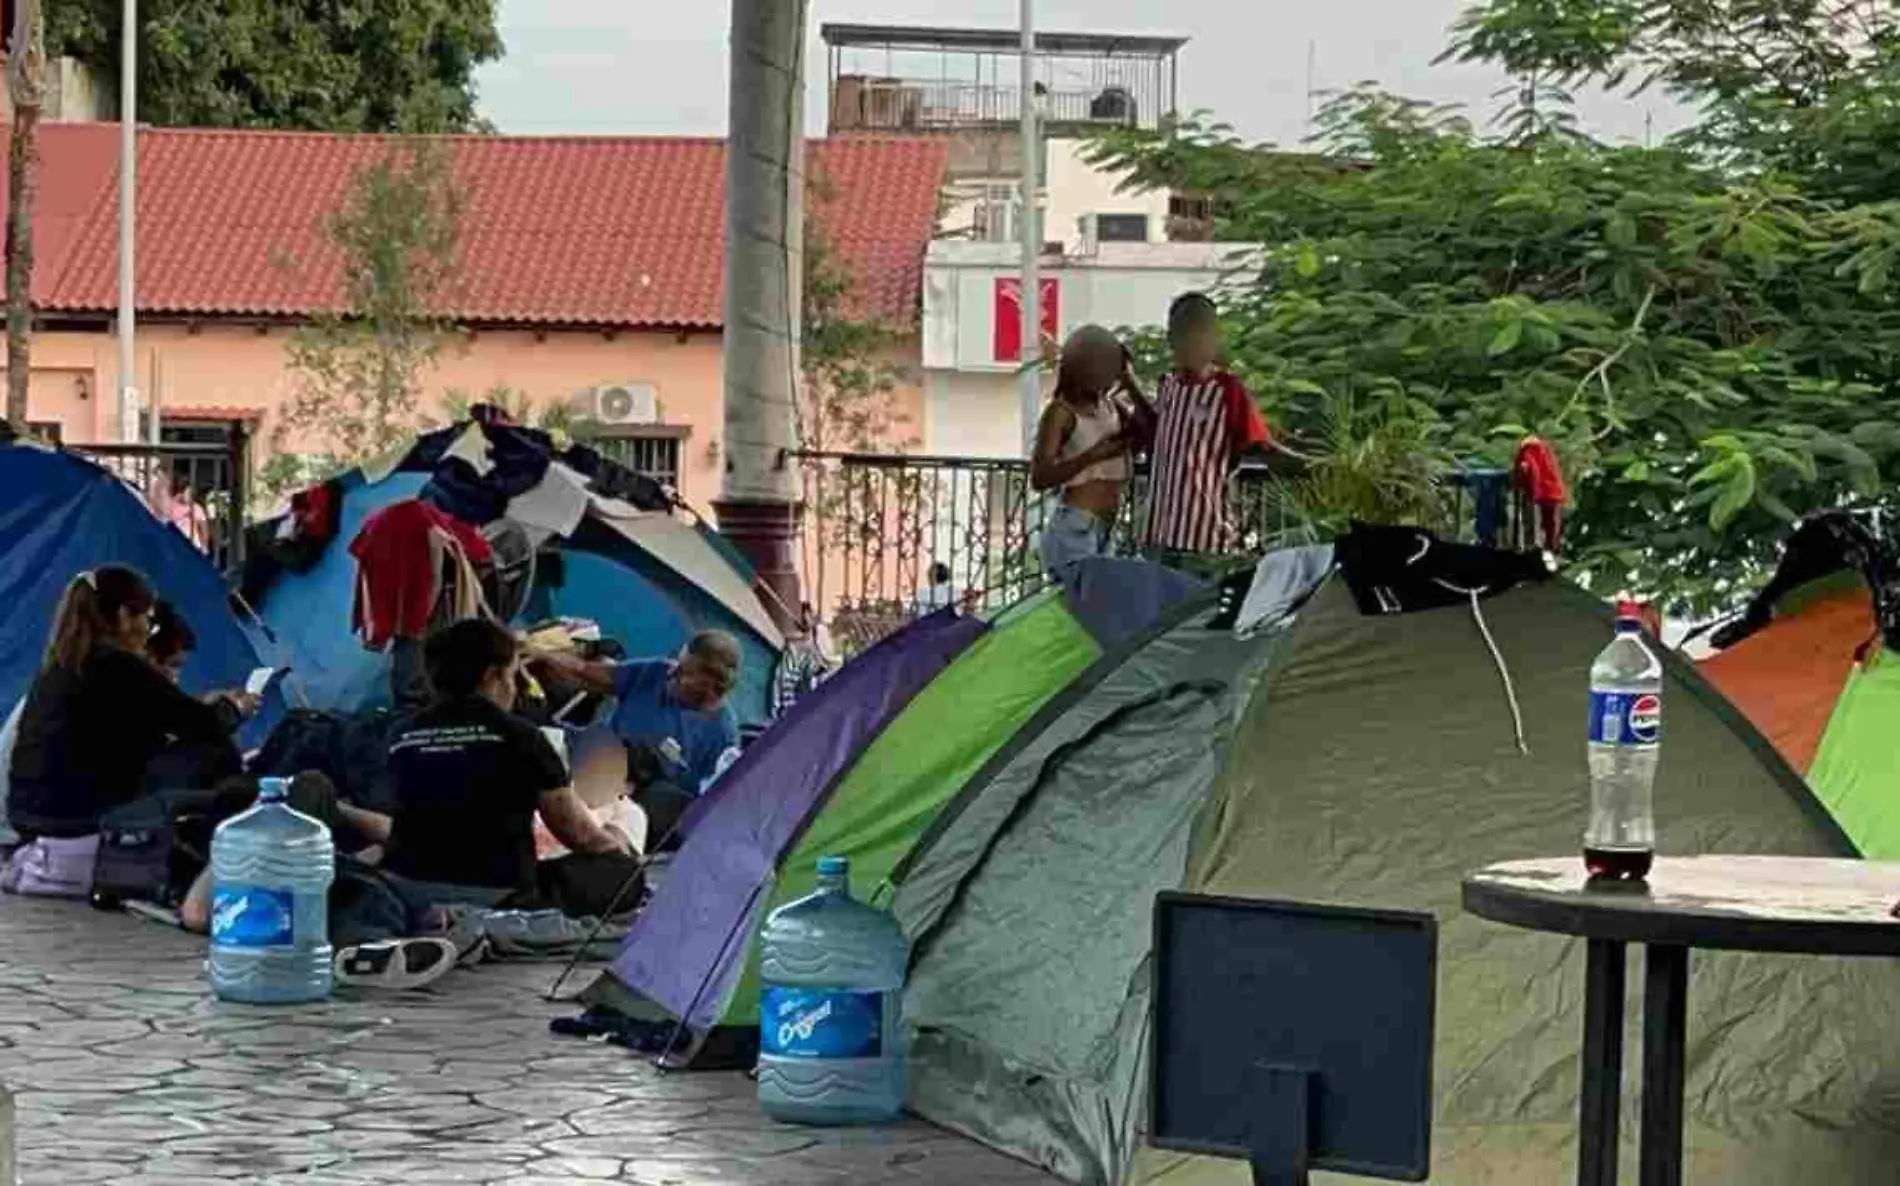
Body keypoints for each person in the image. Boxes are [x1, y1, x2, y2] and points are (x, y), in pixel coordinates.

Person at [383, 619, 640, 918]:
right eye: (514, 675)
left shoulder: (399, 735)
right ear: (494, 675)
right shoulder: (522, 736)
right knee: (625, 876)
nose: (516, 687)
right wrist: (616, 855)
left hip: (405, 889)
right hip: (497, 895)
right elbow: (577, 833)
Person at [7, 568, 256, 840]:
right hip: (72, 821)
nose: (148, 633)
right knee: (212, 751)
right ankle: (234, 839)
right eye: (149, 621)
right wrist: (235, 708)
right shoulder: (116, 665)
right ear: (125, 615)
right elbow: (203, 724)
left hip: (27, 817)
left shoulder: (58, 669)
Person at [1140, 293, 1280, 574]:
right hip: (1158, 536)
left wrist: (1311, 466)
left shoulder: (1228, 390)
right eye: (1184, 335)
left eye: (1201, 333)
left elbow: (1262, 447)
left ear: (1213, 337)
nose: (1193, 343)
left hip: (1205, 540)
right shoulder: (1167, 387)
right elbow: (1155, 437)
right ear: (1172, 339)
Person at [1031, 325, 1156, 576]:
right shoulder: (1061, 412)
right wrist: (1093, 456)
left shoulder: (1110, 406)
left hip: (1106, 528)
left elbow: (1152, 428)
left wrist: (1130, 382)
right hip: (1075, 527)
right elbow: (1040, 476)